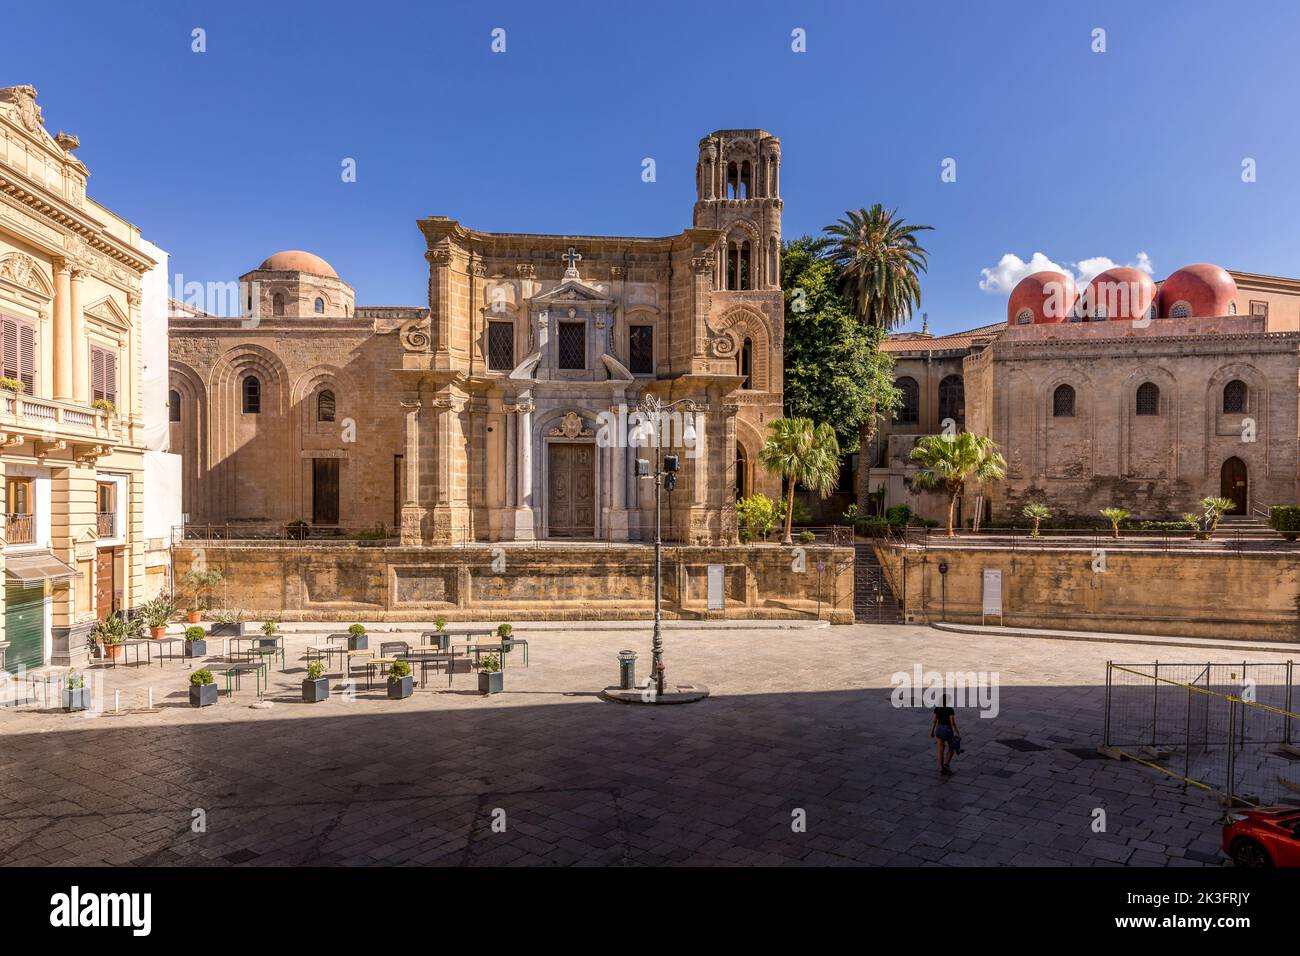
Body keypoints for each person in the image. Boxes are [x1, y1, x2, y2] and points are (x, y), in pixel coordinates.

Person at [929, 693, 961, 775]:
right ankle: (946, 764)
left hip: (939, 729)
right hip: (947, 730)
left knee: (940, 749)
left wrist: (932, 731)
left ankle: (941, 768)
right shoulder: (950, 710)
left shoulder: (937, 709)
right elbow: (953, 723)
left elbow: (934, 721)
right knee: (951, 748)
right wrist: (958, 733)